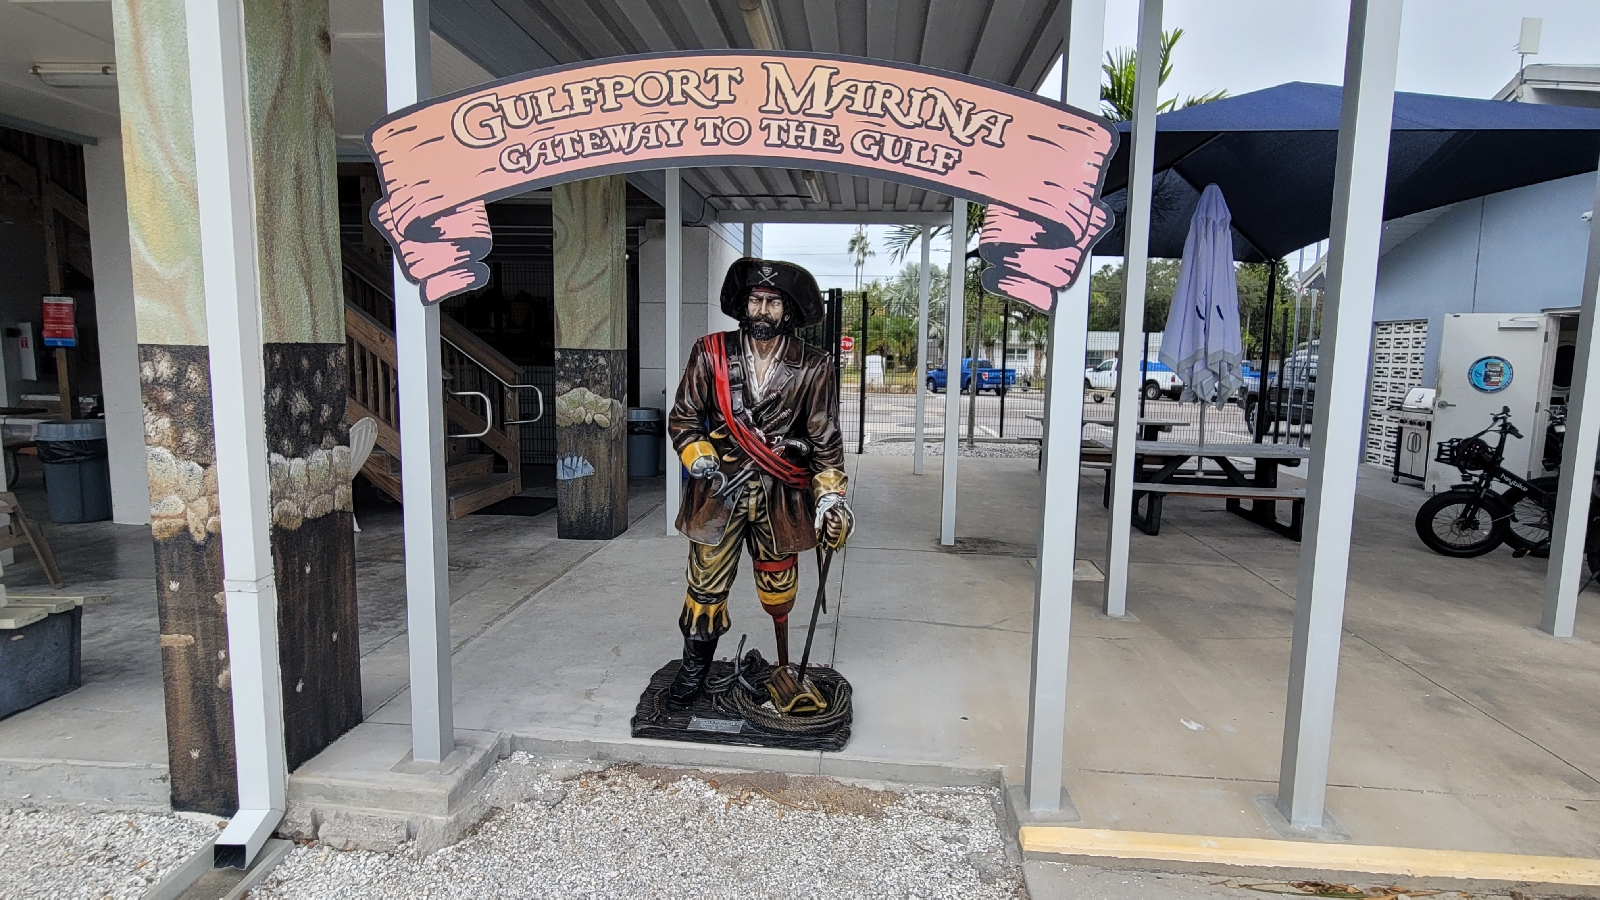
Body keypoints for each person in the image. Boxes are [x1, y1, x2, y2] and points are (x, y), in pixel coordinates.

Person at [665, 258, 853, 704]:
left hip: (780, 494)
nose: (762, 310)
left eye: (773, 302)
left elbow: (824, 437)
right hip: (718, 493)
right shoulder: (710, 352)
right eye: (755, 300)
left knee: (779, 585)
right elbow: (684, 417)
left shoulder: (813, 365)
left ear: (788, 311)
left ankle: (785, 668)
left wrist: (830, 499)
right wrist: (699, 454)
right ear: (743, 304)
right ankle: (693, 672)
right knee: (705, 584)